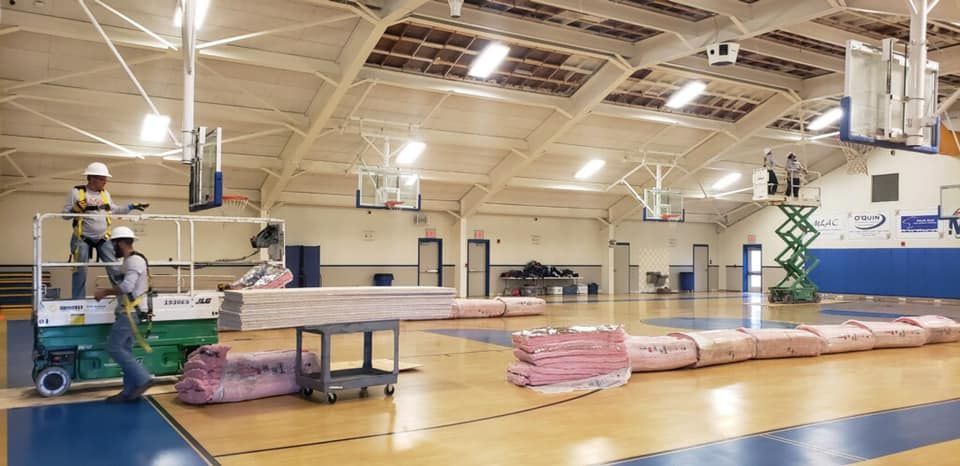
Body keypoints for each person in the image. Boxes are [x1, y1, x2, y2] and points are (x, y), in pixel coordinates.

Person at [64, 162, 148, 299]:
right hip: (82, 238)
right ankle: (78, 304)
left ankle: (125, 300)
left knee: (115, 268)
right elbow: (64, 216)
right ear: (91, 178)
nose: (105, 182)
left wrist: (131, 206)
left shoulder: (105, 194)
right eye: (102, 179)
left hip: (103, 238)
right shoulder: (76, 193)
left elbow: (114, 210)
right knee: (80, 271)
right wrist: (75, 209)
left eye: (105, 179)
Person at [94, 226, 154, 403]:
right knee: (125, 349)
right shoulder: (132, 261)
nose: (112, 249)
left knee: (114, 348)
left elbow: (127, 287)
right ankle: (128, 391)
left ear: (120, 243)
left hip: (129, 313)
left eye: (113, 244)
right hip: (130, 312)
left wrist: (104, 292)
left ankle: (143, 378)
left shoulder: (133, 261)